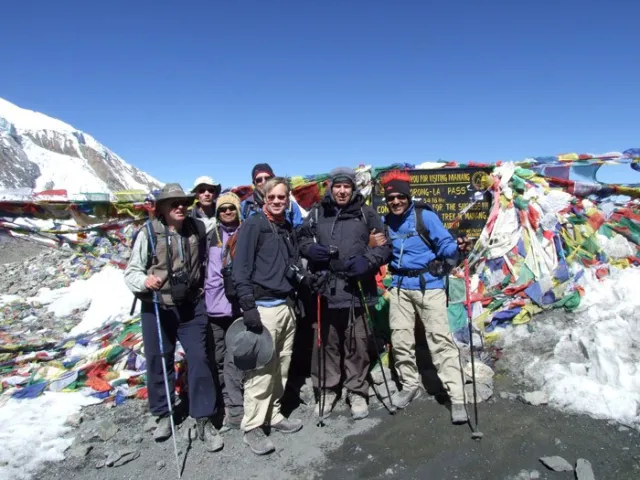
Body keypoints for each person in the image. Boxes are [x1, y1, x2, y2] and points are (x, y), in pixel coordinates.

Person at [124, 183, 223, 451]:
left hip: (191, 306)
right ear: (162, 209)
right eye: (173, 203)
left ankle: (203, 417)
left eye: (183, 202)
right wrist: (145, 281)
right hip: (157, 306)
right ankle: (164, 414)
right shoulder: (147, 233)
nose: (180, 207)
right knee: (159, 359)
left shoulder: (198, 228)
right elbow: (131, 271)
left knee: (200, 359)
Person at [298, 167, 392, 420]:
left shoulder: (366, 213)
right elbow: (301, 238)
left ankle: (356, 390)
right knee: (326, 342)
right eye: (337, 186)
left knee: (357, 341)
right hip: (325, 288)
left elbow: (385, 247)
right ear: (331, 188)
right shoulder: (318, 213)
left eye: (346, 186)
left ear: (353, 188)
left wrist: (368, 261)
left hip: (357, 287)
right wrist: (309, 249)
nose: (342, 191)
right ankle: (328, 389)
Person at [380, 170, 471, 424]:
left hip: (429, 287)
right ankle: (409, 384)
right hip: (399, 287)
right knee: (400, 339)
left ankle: (457, 397)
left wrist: (457, 247)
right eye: (391, 198)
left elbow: (444, 245)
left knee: (440, 340)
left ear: (407, 197)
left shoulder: (425, 217)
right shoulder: (387, 222)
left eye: (400, 197)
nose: (396, 202)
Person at [232, 177, 304, 455]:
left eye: (282, 197)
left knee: (281, 365)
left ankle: (273, 415)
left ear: (288, 199)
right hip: (263, 308)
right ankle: (252, 426)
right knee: (261, 369)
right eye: (272, 197)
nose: (277, 201)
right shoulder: (253, 225)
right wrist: (248, 307)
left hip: (286, 306)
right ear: (263, 198)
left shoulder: (285, 226)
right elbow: (241, 270)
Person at [203, 192, 245, 430]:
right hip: (214, 306)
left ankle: (237, 404)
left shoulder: (247, 233)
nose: (227, 212)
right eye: (222, 209)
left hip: (238, 305)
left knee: (236, 356)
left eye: (231, 208)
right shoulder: (209, 237)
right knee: (219, 356)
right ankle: (226, 402)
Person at [240, 163, 304, 228]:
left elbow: (299, 231)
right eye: (259, 180)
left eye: (267, 178)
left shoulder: (290, 206)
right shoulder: (245, 206)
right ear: (254, 183)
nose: (264, 182)